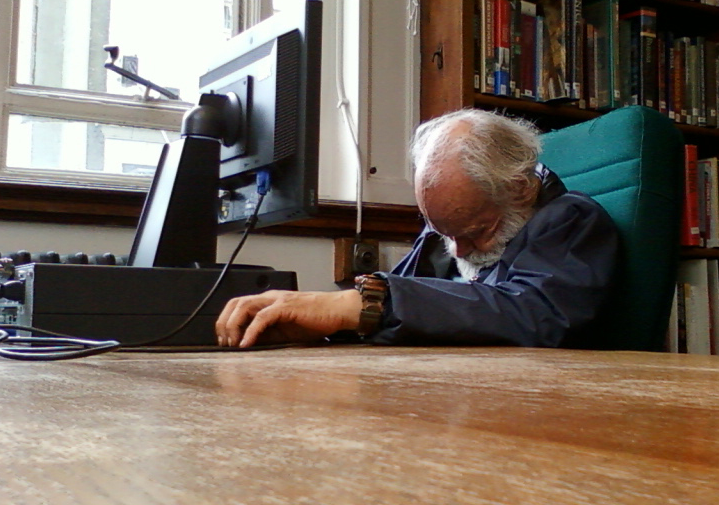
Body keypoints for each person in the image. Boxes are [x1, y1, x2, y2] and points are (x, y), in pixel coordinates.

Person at [215, 108, 619, 349]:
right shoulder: (453, 227)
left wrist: (365, 306)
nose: (458, 251)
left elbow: (535, 316)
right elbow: (401, 301)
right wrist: (322, 325)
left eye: (478, 231)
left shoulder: (572, 220)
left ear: (519, 188)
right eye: (445, 233)